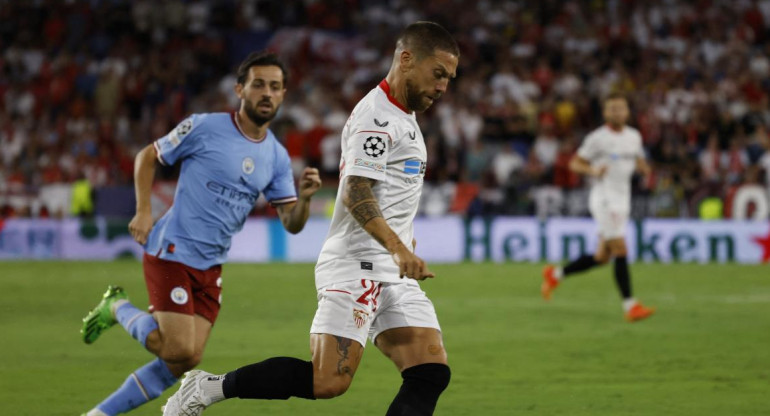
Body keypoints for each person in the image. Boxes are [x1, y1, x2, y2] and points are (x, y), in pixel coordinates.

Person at [161, 21, 459, 416]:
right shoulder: (378, 119)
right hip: (356, 265)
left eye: (449, 79)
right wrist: (400, 246)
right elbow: (354, 192)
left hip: (390, 268)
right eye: (438, 74)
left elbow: (387, 195)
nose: (443, 87)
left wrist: (401, 241)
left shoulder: (404, 115)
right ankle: (208, 388)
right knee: (328, 381)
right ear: (406, 60)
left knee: (430, 371)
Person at [79, 51, 322, 416]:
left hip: (211, 265)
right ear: (240, 89)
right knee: (175, 348)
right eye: (258, 85)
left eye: (275, 86)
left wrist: (302, 200)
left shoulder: (277, 156)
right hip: (172, 250)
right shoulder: (205, 127)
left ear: (284, 94)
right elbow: (148, 156)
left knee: (185, 359)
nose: (266, 93)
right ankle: (116, 306)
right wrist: (144, 211)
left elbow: (292, 222)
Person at [541, 92, 655, 322]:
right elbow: (575, 163)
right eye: (612, 109)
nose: (617, 112)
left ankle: (556, 274)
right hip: (604, 199)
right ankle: (630, 306)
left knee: (603, 257)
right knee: (621, 250)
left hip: (623, 199)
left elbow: (639, 160)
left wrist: (645, 169)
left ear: (627, 111)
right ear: (605, 112)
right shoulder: (597, 138)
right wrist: (593, 171)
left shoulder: (634, 136)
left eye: (620, 108)